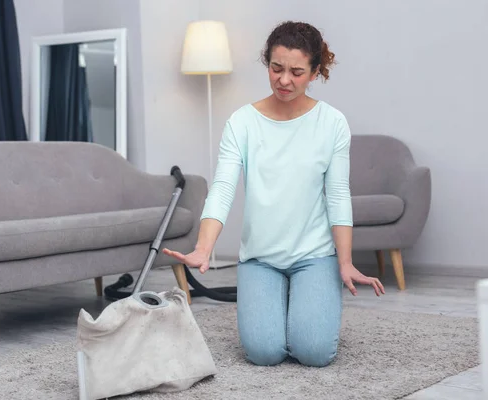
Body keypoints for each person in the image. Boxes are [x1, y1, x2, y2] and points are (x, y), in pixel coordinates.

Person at [163, 20, 384, 368]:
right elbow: (222, 188)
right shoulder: (242, 122)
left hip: (314, 256)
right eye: (276, 68)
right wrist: (204, 248)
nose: (284, 80)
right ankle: (283, 304)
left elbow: (338, 194)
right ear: (267, 62)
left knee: (313, 352)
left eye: (297, 72)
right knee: (263, 353)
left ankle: (309, 300)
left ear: (315, 73)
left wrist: (344, 262)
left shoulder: (332, 123)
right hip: (260, 259)